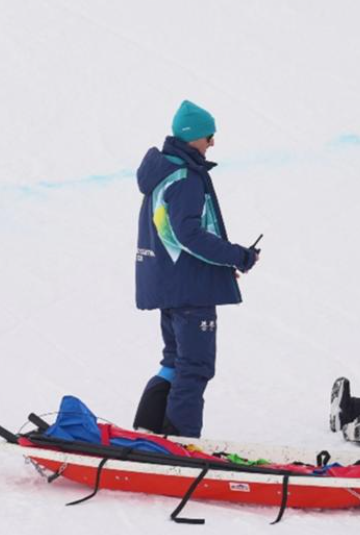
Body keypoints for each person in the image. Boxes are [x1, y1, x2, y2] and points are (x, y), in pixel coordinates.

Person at [133, 100, 259, 438]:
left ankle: (147, 429)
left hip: (172, 285)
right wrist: (237, 256)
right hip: (189, 291)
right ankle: (180, 441)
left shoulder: (164, 170)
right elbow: (189, 235)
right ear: (193, 138)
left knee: (175, 360)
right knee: (195, 367)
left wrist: (216, 269)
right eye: (208, 136)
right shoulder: (186, 178)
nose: (212, 143)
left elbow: (172, 239)